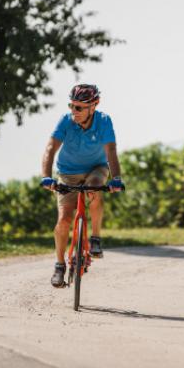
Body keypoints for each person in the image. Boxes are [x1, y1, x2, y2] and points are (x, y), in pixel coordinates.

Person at [40, 84, 125, 288]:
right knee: (64, 220)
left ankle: (95, 238)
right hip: (68, 172)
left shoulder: (104, 121)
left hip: (96, 168)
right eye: (72, 106)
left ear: (94, 106)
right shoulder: (66, 121)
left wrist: (117, 178)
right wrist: (46, 176)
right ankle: (59, 266)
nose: (74, 111)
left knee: (94, 188)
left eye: (79, 107)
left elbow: (111, 150)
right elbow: (50, 148)